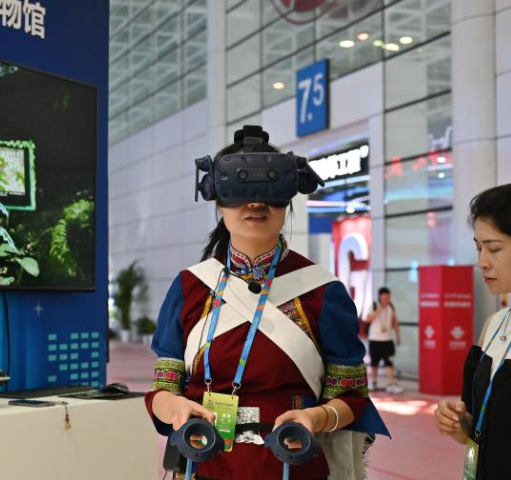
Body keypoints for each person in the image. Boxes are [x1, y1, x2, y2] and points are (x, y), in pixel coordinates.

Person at [145, 126, 388, 480]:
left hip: (294, 467)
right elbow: (163, 388)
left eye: (269, 189)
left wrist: (314, 418)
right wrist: (176, 408)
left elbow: (351, 397)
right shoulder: (191, 286)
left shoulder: (322, 290)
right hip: (205, 465)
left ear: (288, 197)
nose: (256, 203)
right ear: (217, 197)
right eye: (240, 189)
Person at [433, 177, 511, 480]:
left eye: (494, 249)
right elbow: (474, 426)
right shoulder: (493, 324)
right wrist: (457, 423)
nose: (482, 262)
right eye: (478, 248)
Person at [364, 287, 403, 393]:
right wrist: (378, 310)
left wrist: (398, 336)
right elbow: (367, 320)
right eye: (385, 297)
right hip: (375, 340)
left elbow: (395, 322)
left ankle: (390, 384)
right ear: (380, 297)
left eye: (388, 297)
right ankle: (373, 382)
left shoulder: (391, 307)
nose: (386, 299)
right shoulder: (374, 306)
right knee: (374, 363)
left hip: (387, 340)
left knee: (389, 362)